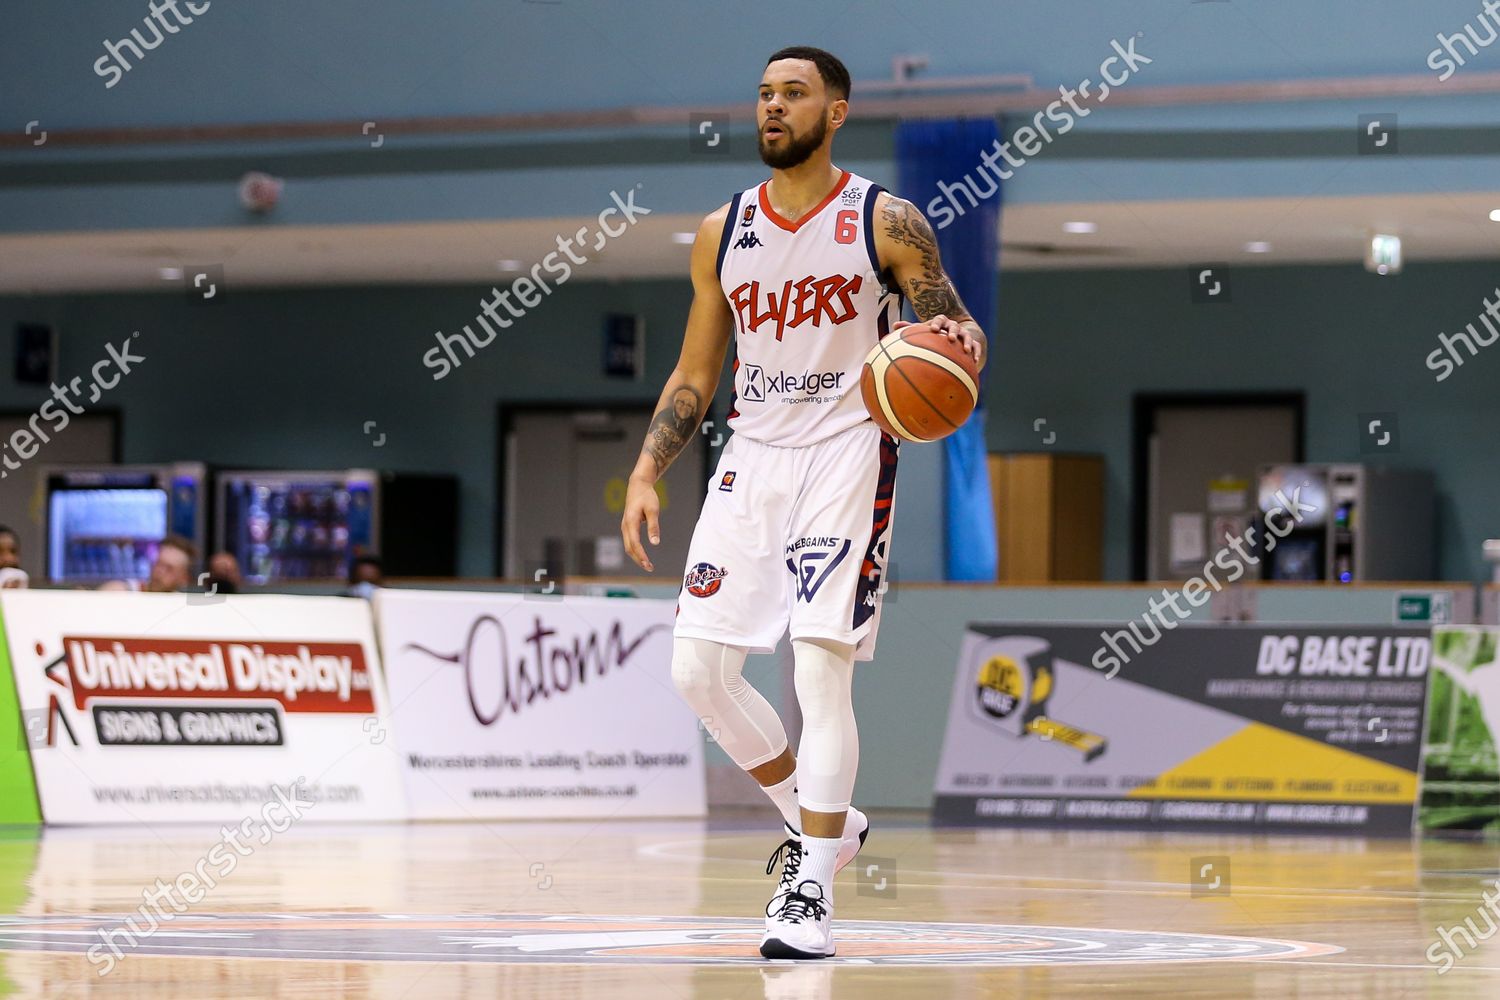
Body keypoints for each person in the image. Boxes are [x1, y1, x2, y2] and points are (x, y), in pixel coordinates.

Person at [620, 46, 986, 959]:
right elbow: (696, 372)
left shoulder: (885, 220)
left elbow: (956, 325)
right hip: (751, 457)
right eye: (764, 95)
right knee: (697, 673)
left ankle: (809, 891)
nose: (773, 107)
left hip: (848, 454)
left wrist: (961, 341)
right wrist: (645, 469)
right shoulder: (723, 230)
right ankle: (823, 822)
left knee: (819, 674)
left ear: (836, 112)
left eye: (794, 94)